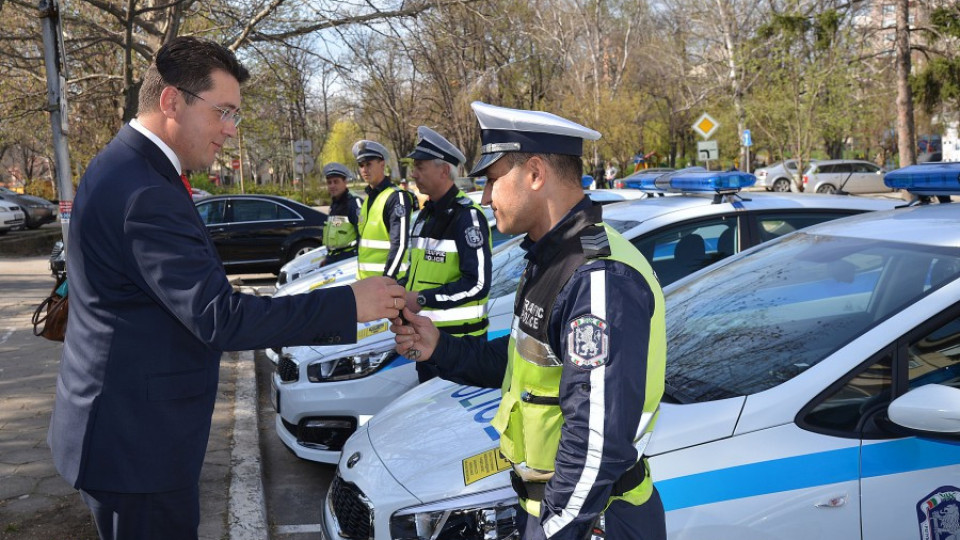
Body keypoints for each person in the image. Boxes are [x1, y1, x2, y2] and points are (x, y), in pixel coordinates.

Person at [48, 37, 406, 540]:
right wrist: (349, 302)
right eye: (224, 112)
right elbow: (220, 318)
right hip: (137, 447)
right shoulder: (144, 188)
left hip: (125, 432)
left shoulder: (131, 166)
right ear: (172, 101)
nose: (230, 131)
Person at [392, 101, 667, 540]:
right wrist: (440, 349)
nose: (483, 197)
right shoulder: (551, 257)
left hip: (588, 521)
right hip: (555, 513)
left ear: (536, 173)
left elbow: (596, 441)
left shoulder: (597, 275)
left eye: (492, 179)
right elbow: (526, 368)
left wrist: (551, 529)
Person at [401, 126, 492, 382]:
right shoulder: (425, 215)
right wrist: (396, 293)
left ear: (443, 170)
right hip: (425, 340)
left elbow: (478, 285)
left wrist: (419, 299)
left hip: (460, 347)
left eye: (420, 166)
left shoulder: (467, 217)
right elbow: (416, 273)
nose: (413, 173)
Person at [353, 139, 412, 280]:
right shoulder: (368, 199)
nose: (364, 170)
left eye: (369, 164)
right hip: (366, 283)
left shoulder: (396, 197)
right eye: (361, 165)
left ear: (382, 164)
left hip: (387, 285)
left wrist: (388, 279)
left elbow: (399, 244)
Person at [320, 162, 362, 267]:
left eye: (336, 182)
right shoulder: (334, 204)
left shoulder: (353, 203)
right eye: (329, 182)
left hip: (348, 259)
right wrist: (328, 259)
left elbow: (363, 235)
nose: (332, 186)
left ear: (345, 182)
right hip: (333, 259)